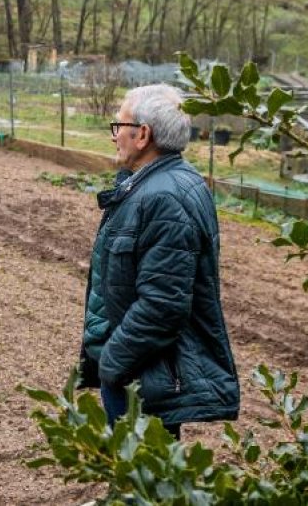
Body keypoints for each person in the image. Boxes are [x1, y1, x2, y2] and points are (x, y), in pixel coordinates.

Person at [78, 84, 239, 438]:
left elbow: (163, 304)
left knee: (144, 478)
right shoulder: (156, 185)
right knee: (135, 474)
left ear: (143, 134)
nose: (113, 136)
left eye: (118, 126)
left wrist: (113, 362)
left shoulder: (164, 198)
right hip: (138, 370)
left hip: (141, 375)